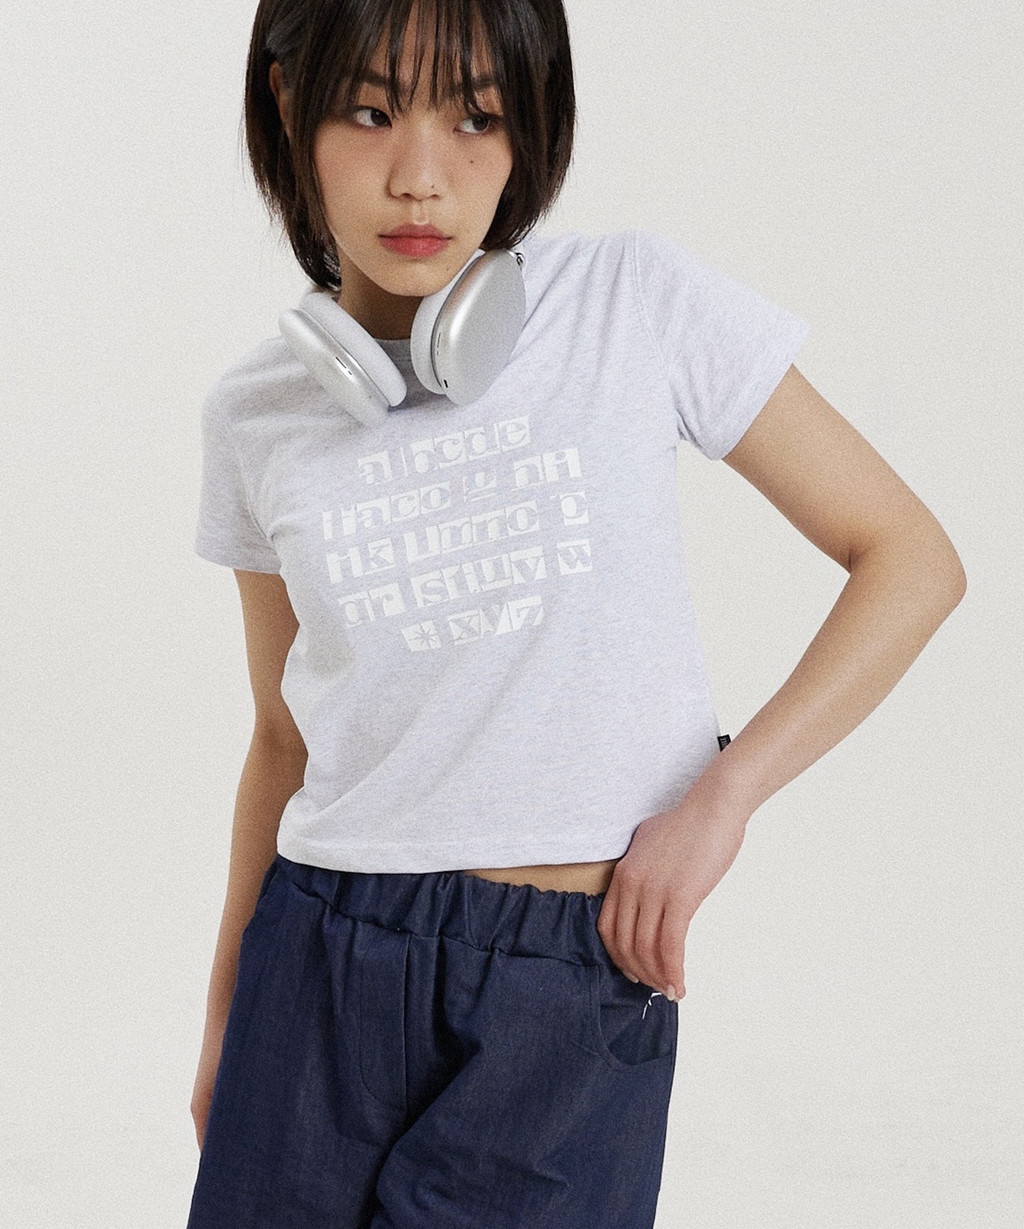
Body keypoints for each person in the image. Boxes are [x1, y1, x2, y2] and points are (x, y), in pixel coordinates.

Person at [185, 0, 966, 1225]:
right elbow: (282, 738)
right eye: (370, 111)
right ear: (289, 105)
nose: (421, 175)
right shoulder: (256, 412)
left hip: (562, 975)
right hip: (318, 954)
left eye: (475, 117)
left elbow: (910, 559)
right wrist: (226, 1013)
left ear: (530, 124)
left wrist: (722, 796)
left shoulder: (630, 301)